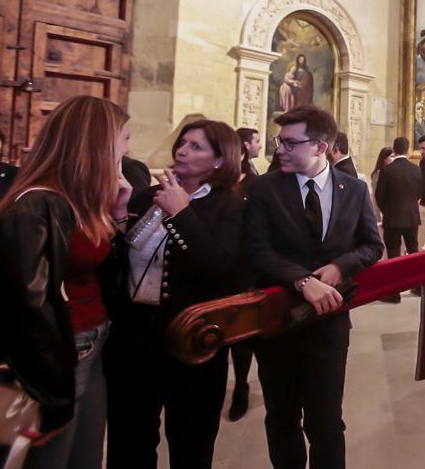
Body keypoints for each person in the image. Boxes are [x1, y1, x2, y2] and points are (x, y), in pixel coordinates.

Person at [243, 105, 383, 469]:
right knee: (282, 417)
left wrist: (342, 265)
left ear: (321, 147)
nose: (280, 150)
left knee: (326, 422)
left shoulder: (353, 188)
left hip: (329, 322)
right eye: (279, 141)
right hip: (277, 322)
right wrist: (301, 280)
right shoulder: (264, 189)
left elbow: (372, 245)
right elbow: (255, 250)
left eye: (290, 143)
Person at [0, 96, 130, 469]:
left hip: (92, 339)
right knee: (50, 459)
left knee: (84, 457)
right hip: (62, 349)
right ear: (97, 142)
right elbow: (29, 305)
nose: (127, 148)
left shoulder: (79, 199)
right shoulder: (35, 205)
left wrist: (118, 215)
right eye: (125, 138)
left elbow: (91, 267)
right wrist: (52, 390)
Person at [104, 120, 245, 469]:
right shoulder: (144, 196)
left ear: (219, 159)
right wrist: (120, 215)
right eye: (182, 143)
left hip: (191, 341)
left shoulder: (231, 207)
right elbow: (119, 265)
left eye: (196, 146)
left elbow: (219, 270)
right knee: (129, 444)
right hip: (133, 340)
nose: (182, 150)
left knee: (191, 447)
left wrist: (182, 213)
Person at [229, 126, 261, 421]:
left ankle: (240, 385)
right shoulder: (222, 182)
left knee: (242, 332)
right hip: (221, 264)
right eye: (258, 141)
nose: (261, 145)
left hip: (245, 267)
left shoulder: (256, 181)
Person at [375, 137, 421, 303]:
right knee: (414, 252)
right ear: (408, 149)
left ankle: (394, 293)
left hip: (393, 218)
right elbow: (419, 193)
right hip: (412, 217)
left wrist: (387, 210)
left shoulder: (387, 170)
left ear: (394, 149)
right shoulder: (416, 169)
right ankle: (418, 286)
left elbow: (379, 196)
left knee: (394, 256)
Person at [369, 147, 394, 223]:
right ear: (384, 159)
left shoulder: (391, 172)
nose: (394, 159)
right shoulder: (378, 174)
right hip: (381, 213)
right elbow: (377, 196)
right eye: (392, 157)